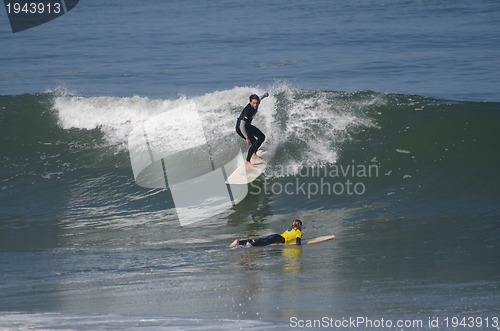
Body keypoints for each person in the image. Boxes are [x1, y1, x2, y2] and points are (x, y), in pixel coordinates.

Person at [235, 92, 269, 167]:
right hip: (241, 128)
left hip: (247, 125)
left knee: (261, 137)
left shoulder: (257, 102)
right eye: (253, 103)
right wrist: (247, 138)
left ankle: (254, 153)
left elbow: (260, 98)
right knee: (253, 142)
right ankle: (247, 161)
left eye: (256, 103)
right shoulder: (248, 111)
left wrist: (265, 95)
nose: (255, 105)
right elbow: (241, 125)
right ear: (250, 102)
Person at [230, 219, 302, 247]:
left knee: (263, 240)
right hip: (278, 239)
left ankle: (239, 242)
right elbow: (298, 242)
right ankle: (251, 244)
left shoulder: (289, 230)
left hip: (276, 236)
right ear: (300, 226)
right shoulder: (298, 232)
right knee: (264, 243)